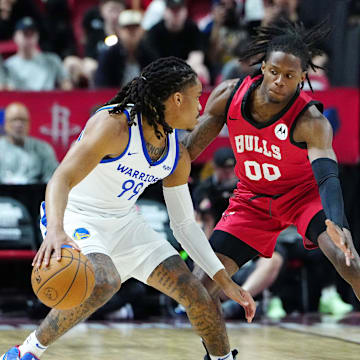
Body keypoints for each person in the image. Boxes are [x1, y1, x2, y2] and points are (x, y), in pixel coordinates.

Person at [1, 57, 255, 360]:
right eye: (197, 96)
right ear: (177, 99)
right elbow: (61, 178)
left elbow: (185, 225)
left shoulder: (176, 153)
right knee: (104, 280)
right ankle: (26, 352)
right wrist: (55, 230)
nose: (201, 106)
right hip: (76, 214)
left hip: (124, 222)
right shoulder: (115, 126)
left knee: (197, 294)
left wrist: (223, 279)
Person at [184, 20, 360, 341]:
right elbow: (190, 150)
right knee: (200, 285)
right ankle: (220, 354)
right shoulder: (228, 96)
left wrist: (337, 221)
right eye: (275, 71)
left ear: (302, 78)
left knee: (346, 260)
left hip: (302, 198)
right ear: (263, 67)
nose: (280, 81)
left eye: (290, 76)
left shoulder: (311, 121)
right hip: (252, 200)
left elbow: (328, 176)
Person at [4, 17, 72, 91]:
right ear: (15, 36)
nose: (29, 38)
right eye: (25, 34)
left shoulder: (52, 60)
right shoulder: (8, 65)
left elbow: (66, 84)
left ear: (37, 36)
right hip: (20, 101)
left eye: (32, 34)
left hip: (48, 100)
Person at [0, 102, 58, 184]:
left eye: (23, 120)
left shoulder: (43, 148)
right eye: (14, 120)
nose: (19, 124)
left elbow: (53, 179)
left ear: (29, 124)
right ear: (5, 124)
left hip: (35, 194)